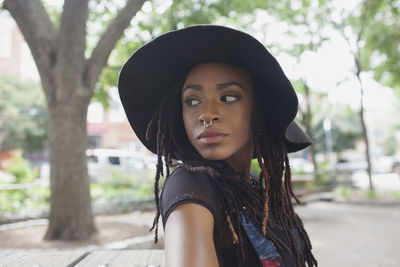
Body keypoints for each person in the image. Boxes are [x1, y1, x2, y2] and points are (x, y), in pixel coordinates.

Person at [118, 25, 317, 267]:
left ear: (258, 111)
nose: (207, 114)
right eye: (192, 101)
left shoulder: (253, 185)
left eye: (229, 97)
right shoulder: (191, 185)